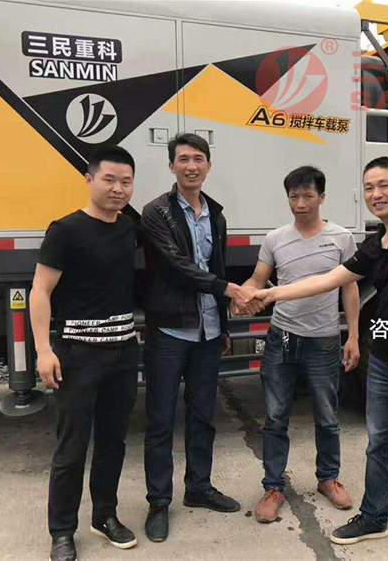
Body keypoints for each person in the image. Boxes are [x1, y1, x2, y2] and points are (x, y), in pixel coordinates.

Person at [251, 157, 388, 561]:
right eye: (369, 187)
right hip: (384, 363)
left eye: (384, 185)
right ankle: (374, 516)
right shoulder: (377, 242)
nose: (376, 194)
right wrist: (270, 294)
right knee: (380, 446)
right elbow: (328, 281)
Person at [140, 133, 258, 543]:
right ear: (171, 166)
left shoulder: (215, 215)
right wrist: (229, 290)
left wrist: (222, 326)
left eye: (198, 159)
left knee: (203, 415)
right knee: (160, 420)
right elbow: (176, 266)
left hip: (207, 332)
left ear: (209, 165)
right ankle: (159, 502)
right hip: (169, 330)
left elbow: (216, 264)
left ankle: (199, 488)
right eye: (183, 159)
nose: (191, 166)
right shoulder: (156, 212)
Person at [31, 145, 140, 561]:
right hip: (77, 356)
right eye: (109, 179)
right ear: (90, 179)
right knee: (72, 447)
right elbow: (40, 291)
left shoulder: (129, 228)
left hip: (123, 354)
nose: (118, 188)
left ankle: (105, 516)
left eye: (126, 181)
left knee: (113, 442)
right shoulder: (65, 230)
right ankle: (62, 531)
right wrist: (44, 350)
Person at [237, 166, 360, 523]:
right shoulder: (275, 239)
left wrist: (352, 335)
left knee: (327, 416)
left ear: (322, 197)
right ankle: (274, 487)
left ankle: (328, 478)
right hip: (282, 340)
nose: (301, 203)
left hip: (324, 341)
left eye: (308, 196)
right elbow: (258, 278)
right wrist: (244, 293)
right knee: (275, 417)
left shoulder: (341, 238)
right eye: (294, 196)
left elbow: (350, 287)